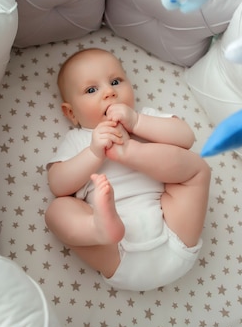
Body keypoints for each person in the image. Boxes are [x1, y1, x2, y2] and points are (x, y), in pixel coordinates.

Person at [45, 48, 211, 291]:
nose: (109, 92)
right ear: (71, 113)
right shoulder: (80, 140)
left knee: (197, 168)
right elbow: (58, 184)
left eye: (115, 82)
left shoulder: (144, 120)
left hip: (173, 230)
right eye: (92, 90)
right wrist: (93, 153)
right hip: (116, 250)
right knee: (57, 210)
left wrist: (137, 123)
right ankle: (97, 228)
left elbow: (186, 137)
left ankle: (131, 153)